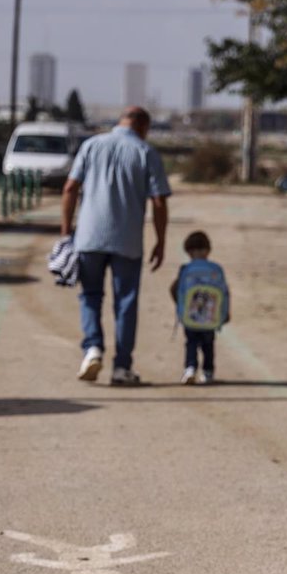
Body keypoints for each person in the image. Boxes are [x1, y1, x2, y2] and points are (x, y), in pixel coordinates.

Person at [61, 106, 170, 385]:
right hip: (128, 241)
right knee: (126, 303)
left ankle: (93, 349)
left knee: (90, 296)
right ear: (143, 127)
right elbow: (158, 201)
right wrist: (161, 241)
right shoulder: (146, 152)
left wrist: (65, 233)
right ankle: (122, 368)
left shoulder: (91, 145)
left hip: (89, 238)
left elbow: (70, 188)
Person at [169, 231, 230, 385]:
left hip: (191, 316)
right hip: (210, 317)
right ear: (208, 250)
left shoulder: (185, 269)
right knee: (208, 344)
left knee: (191, 342)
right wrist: (225, 312)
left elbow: (174, 289)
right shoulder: (216, 269)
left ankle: (190, 368)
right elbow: (224, 293)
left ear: (188, 252)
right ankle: (208, 371)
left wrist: (181, 307)